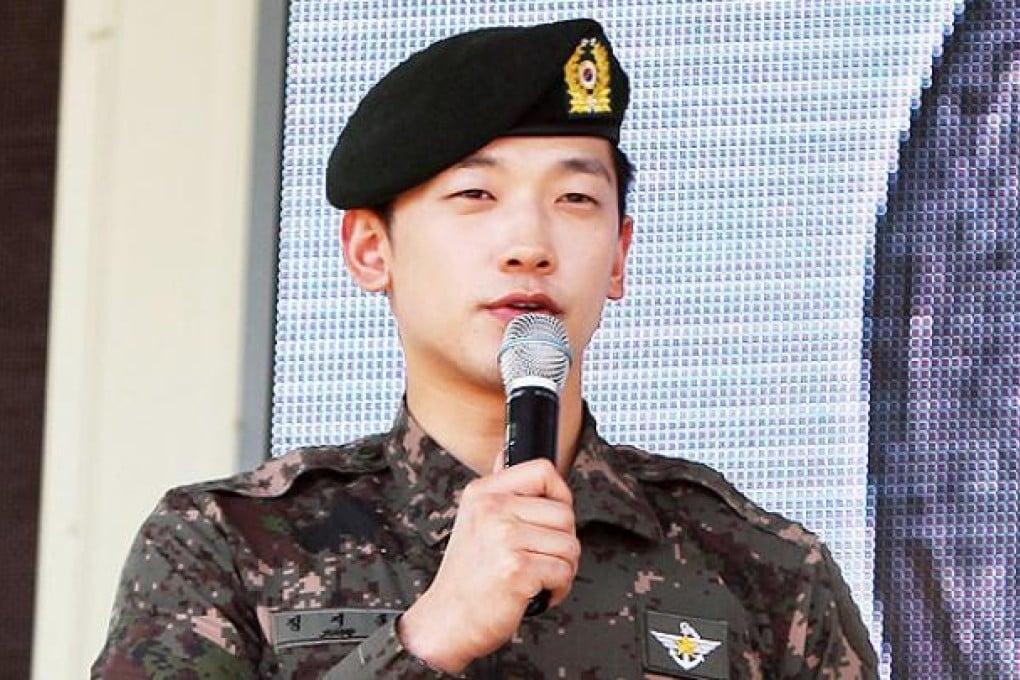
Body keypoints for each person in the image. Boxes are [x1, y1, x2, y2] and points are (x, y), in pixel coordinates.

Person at [93, 18, 877, 679]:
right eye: (476, 195)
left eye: (575, 200)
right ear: (371, 250)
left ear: (617, 257)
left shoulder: (758, 565)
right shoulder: (225, 541)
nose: (530, 245)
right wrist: (426, 639)